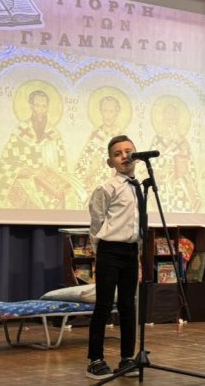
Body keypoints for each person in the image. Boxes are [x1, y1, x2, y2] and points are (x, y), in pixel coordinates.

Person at [86, 135, 143, 380]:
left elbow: (138, 224)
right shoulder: (106, 188)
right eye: (118, 153)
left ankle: (127, 358)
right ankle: (95, 360)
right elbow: (97, 222)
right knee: (104, 304)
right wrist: (100, 253)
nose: (124, 156)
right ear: (111, 162)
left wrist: (137, 254)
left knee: (128, 305)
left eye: (129, 151)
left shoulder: (139, 188)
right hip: (109, 250)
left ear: (136, 156)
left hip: (131, 251)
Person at [0, 89, 79, 209]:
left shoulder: (54, 134)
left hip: (49, 185)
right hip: (26, 182)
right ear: (31, 106)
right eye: (37, 105)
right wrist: (31, 171)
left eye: (44, 106)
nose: (40, 110)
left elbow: (62, 168)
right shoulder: (20, 131)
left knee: (69, 195)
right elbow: (6, 163)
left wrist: (56, 179)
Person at [75, 95, 127, 197]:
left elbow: (125, 164)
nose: (108, 115)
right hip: (94, 185)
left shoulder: (121, 137)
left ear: (116, 113)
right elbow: (84, 161)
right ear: (101, 112)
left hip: (113, 186)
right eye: (105, 111)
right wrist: (89, 171)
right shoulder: (96, 135)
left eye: (111, 111)